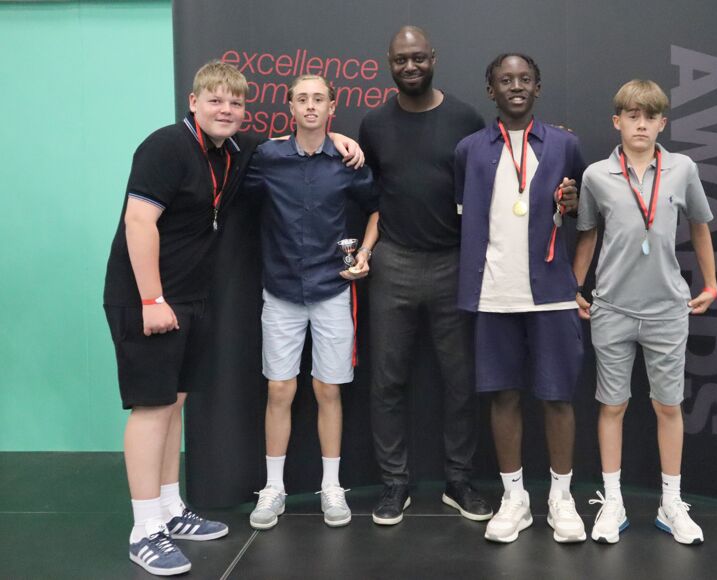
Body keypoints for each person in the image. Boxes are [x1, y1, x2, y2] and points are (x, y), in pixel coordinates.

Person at [103, 61, 363, 576]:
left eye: (235, 103)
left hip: (190, 297)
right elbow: (138, 221)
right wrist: (152, 300)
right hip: (147, 298)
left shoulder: (232, 152)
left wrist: (333, 138)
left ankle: (170, 510)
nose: (226, 110)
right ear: (193, 102)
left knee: (173, 404)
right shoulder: (165, 146)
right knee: (151, 409)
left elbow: (301, 143)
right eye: (215, 100)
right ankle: (145, 529)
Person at [357, 25, 493, 525]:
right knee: (387, 380)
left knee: (460, 380)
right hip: (393, 260)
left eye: (418, 57)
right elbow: (370, 190)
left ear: (433, 58)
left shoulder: (465, 118)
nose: (410, 66)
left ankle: (459, 480)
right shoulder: (374, 124)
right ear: (389, 63)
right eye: (401, 59)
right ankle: (395, 483)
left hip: (453, 262)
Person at [573, 79, 717, 545]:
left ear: (662, 123)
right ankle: (612, 500)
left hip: (667, 310)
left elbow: (700, 225)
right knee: (612, 405)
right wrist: (576, 286)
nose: (641, 124)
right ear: (617, 121)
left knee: (668, 405)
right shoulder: (596, 175)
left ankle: (671, 502)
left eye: (650, 116)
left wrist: (711, 283)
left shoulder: (682, 169)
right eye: (632, 116)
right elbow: (588, 234)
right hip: (611, 308)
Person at [455, 53, 586, 544]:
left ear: (538, 87)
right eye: (505, 80)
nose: (515, 86)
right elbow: (463, 210)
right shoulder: (469, 150)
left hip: (551, 292)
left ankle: (561, 498)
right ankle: (515, 499)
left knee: (557, 396)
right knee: (503, 395)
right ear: (491, 90)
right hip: (493, 293)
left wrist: (573, 205)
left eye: (524, 79)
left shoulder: (565, 144)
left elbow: (583, 211)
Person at [243, 75, 378, 530]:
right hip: (280, 290)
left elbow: (377, 208)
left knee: (328, 390)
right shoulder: (268, 156)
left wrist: (364, 253)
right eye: (302, 99)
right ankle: (273, 488)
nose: (310, 106)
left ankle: (332, 486)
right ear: (290, 107)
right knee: (279, 390)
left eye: (319, 99)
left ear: (332, 107)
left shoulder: (347, 159)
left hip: (331, 289)